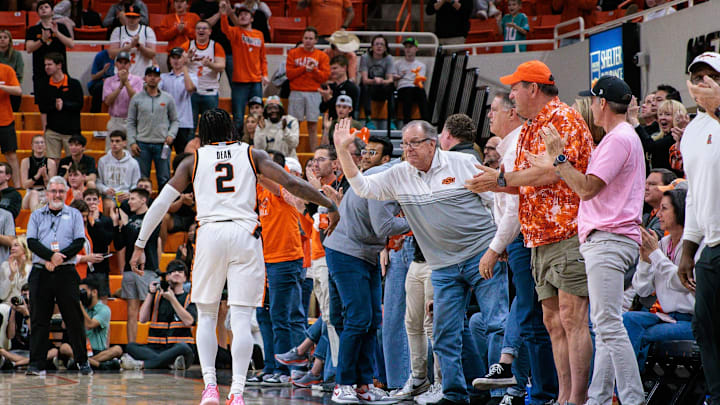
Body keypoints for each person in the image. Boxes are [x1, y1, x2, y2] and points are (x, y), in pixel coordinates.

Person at [128, 108, 339, 404]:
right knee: (240, 318)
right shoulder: (252, 154)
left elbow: (161, 202)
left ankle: (210, 388)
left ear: (203, 133)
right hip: (245, 234)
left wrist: (139, 244)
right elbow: (292, 184)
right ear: (232, 129)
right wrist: (329, 203)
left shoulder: (193, 160)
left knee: (207, 315)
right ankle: (237, 392)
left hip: (210, 234)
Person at [334, 118, 507, 405]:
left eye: (413, 143)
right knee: (443, 333)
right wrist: (342, 150)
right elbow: (363, 187)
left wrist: (497, 245)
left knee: (495, 324)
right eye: (404, 144)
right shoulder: (400, 174)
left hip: (481, 256)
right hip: (442, 266)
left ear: (432, 143)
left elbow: (497, 200)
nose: (407, 150)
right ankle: (453, 394)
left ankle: (502, 395)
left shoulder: (461, 163)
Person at [466, 60, 595, 405]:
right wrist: (490, 184)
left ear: (533, 89)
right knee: (552, 322)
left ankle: (577, 398)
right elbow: (525, 182)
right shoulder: (528, 129)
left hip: (567, 229)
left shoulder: (563, 118)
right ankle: (563, 395)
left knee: (572, 318)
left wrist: (502, 180)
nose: (511, 95)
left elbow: (551, 175)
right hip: (537, 237)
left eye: (515, 88)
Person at [528, 75, 645, 405]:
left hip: (608, 239)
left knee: (608, 325)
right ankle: (597, 398)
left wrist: (559, 158)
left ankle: (633, 399)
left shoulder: (619, 138)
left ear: (603, 103)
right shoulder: (620, 137)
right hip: (610, 240)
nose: (591, 106)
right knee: (606, 324)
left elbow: (585, 188)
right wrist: (555, 162)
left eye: (593, 100)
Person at [468, 96, 559, 405]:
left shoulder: (520, 143)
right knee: (530, 313)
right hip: (520, 239)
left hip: (528, 237)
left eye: (493, 109)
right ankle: (524, 382)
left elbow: (517, 206)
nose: (489, 116)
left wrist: (495, 248)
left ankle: (541, 391)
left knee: (535, 317)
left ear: (510, 111)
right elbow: (506, 202)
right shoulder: (509, 146)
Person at [680, 51, 720, 405]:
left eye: (711, 75)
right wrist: (689, 247)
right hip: (712, 244)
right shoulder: (693, 131)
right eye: (697, 76)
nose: (703, 82)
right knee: (704, 328)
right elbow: (694, 192)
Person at [624, 188, 695, 372]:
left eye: (664, 209)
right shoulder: (662, 244)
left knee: (638, 333)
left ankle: (629, 392)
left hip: (693, 321)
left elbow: (682, 283)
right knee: (626, 320)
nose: (659, 214)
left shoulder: (694, 246)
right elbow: (642, 290)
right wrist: (645, 260)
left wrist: (655, 254)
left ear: (680, 210)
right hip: (667, 317)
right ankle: (626, 389)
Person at [25, 176, 91, 376]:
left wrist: (59, 259)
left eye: (61, 191)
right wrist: (50, 256)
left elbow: (79, 241)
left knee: (74, 318)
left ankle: (82, 361)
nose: (57, 195)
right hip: (41, 271)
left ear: (66, 193)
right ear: (47, 193)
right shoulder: (36, 215)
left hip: (66, 271)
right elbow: (31, 242)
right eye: (53, 191)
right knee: (39, 319)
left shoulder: (75, 214)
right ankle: (36, 364)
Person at [121, 259, 196, 370]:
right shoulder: (156, 297)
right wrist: (150, 294)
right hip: (156, 348)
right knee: (131, 346)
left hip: (178, 348)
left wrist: (172, 299)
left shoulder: (189, 299)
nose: (176, 273)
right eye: (172, 272)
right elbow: (142, 319)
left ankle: (143, 365)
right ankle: (167, 363)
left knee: (183, 348)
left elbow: (189, 321)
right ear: (166, 277)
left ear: (185, 278)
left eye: (180, 272)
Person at [113, 187, 161, 344]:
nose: (129, 202)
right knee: (131, 312)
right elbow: (120, 244)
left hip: (146, 270)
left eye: (133, 199)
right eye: (130, 199)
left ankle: (151, 345)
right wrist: (117, 225)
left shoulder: (152, 217)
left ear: (143, 200)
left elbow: (146, 239)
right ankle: (132, 348)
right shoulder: (130, 219)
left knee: (149, 310)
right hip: (129, 270)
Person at [219, 1, 269, 135]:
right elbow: (225, 29)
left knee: (257, 115)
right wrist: (224, 14)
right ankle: (237, 142)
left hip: (256, 81)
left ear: (252, 18)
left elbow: (263, 57)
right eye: (240, 14)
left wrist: (265, 74)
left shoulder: (259, 34)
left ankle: (256, 143)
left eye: (246, 14)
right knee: (239, 117)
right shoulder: (235, 32)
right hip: (239, 82)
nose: (242, 16)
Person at [126, 66, 179, 191]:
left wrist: (171, 135)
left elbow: (175, 120)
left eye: (155, 76)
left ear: (159, 79)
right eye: (149, 75)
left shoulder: (167, 98)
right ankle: (142, 208)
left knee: (164, 179)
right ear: (145, 78)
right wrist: (132, 142)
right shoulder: (136, 98)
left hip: (162, 144)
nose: (152, 78)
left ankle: (165, 209)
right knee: (142, 180)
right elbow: (131, 122)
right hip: (142, 145)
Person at [55, 277, 123, 370]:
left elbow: (90, 325)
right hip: (81, 350)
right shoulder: (79, 307)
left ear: (94, 292)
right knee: (64, 348)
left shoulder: (104, 309)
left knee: (117, 349)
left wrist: (79, 305)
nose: (81, 294)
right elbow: (64, 325)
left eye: (83, 291)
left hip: (98, 351)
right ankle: (99, 365)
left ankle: (84, 363)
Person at [25, 0, 74, 127]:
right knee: (44, 105)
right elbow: (29, 48)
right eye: (40, 7)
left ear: (52, 11)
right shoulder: (33, 29)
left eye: (46, 7)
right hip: (41, 73)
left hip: (60, 74)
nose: (43, 9)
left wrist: (56, 33)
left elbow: (71, 44)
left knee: (62, 102)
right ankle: (46, 132)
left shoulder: (61, 27)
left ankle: (62, 128)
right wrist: (42, 40)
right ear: (38, 12)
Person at [287, 27, 330, 151]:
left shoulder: (322, 56)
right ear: (302, 39)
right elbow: (289, 74)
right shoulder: (293, 53)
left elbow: (324, 77)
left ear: (316, 40)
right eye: (306, 38)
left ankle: (314, 154)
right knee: (294, 125)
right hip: (296, 92)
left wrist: (314, 70)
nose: (308, 41)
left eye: (311, 38)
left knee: (313, 125)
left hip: (314, 93)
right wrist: (304, 69)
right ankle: (291, 152)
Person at [36, 52, 83, 164]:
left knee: (73, 161)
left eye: (49, 64)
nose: (46, 67)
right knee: (52, 162)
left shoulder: (74, 84)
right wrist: (54, 106)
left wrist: (64, 105)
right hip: (52, 130)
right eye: (45, 65)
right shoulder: (44, 86)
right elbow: (42, 107)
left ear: (59, 65)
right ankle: (52, 181)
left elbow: (79, 105)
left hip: (71, 131)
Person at [184, 19, 226, 132]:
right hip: (192, 92)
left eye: (204, 28)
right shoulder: (188, 45)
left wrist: (210, 64)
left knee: (210, 127)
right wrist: (187, 58)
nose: (201, 30)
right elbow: (177, 63)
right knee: (190, 127)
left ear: (210, 31)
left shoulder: (215, 46)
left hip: (210, 92)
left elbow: (221, 66)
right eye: (198, 28)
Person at [161, 47, 198, 154]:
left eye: (179, 58)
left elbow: (190, 88)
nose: (176, 61)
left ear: (184, 59)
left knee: (183, 156)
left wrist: (185, 66)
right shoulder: (163, 77)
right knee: (164, 155)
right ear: (170, 60)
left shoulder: (192, 76)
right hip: (166, 123)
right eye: (173, 58)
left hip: (184, 123)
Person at [107, 4, 157, 78]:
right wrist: (129, 47)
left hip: (142, 76)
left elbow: (152, 54)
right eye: (129, 16)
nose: (131, 19)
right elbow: (111, 54)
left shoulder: (147, 31)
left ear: (139, 18)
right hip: (122, 75)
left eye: (134, 17)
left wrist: (139, 46)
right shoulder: (118, 31)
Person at [83, 188, 115, 301]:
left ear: (99, 201)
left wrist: (96, 222)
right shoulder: (80, 220)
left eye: (94, 199)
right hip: (84, 265)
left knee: (102, 299)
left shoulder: (106, 220)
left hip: (101, 266)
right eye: (88, 199)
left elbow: (106, 240)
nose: (91, 202)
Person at [96, 130, 142, 206]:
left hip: (126, 197)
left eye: (117, 141)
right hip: (108, 197)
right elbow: (98, 182)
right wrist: (105, 189)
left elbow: (136, 183)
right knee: (108, 204)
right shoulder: (102, 161)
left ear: (124, 143)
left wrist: (129, 194)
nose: (114, 144)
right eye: (112, 141)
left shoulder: (133, 163)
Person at [103, 51, 143, 136]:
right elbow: (107, 101)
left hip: (132, 120)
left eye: (125, 62)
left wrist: (126, 83)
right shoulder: (109, 81)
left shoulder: (138, 80)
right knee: (112, 148)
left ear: (130, 64)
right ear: (116, 64)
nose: (123, 65)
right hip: (115, 120)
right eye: (120, 62)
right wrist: (120, 86)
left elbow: (137, 100)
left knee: (132, 148)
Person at [359, 35, 395, 129]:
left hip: (382, 86)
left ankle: (391, 120)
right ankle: (368, 119)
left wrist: (382, 81)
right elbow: (364, 80)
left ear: (385, 47)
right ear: (372, 46)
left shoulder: (389, 58)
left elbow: (390, 79)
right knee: (364, 87)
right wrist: (374, 80)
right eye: (377, 44)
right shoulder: (365, 57)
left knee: (391, 87)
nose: (379, 46)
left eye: (382, 44)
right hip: (370, 86)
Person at [394, 38, 428, 125]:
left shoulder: (421, 65)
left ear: (416, 49)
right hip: (403, 88)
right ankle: (407, 122)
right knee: (408, 92)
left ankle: (426, 121)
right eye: (406, 47)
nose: (408, 49)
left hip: (415, 88)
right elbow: (393, 78)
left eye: (410, 47)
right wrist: (399, 76)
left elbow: (421, 80)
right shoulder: (397, 64)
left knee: (421, 92)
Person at [20, 135, 57, 210]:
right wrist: (37, 176)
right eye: (37, 143)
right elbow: (25, 185)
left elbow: (51, 186)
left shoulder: (51, 163)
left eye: (42, 142)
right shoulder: (25, 161)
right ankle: (36, 218)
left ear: (45, 146)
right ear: (32, 146)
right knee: (34, 193)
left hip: (45, 193)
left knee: (51, 198)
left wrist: (45, 176)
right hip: (30, 193)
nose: (39, 145)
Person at [320, 55, 360, 122]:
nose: (332, 71)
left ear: (344, 68)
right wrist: (325, 99)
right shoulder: (330, 87)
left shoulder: (351, 87)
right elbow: (322, 109)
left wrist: (330, 98)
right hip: (331, 123)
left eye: (335, 68)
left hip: (347, 124)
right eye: (331, 69)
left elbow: (347, 108)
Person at [0, 60, 21, 187]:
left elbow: (18, 90)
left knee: (11, 154)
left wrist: (1, 87)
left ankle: (18, 186)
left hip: (5, 119)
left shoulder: (7, 70)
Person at [642, 168, 676, 239]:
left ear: (668, 187)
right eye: (645, 184)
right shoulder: (646, 217)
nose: (646, 188)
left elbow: (648, 240)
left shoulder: (670, 216)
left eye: (652, 184)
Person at [0, 30, 24, 112]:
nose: (2, 39)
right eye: (0, 37)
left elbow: (19, 74)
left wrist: (7, 83)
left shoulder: (17, 55)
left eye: (5, 37)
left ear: (9, 40)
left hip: (12, 88)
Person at [0, 237, 28, 304]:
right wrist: (11, 275)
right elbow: (2, 295)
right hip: (6, 304)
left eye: (16, 245)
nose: (12, 248)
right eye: (11, 246)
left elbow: (25, 291)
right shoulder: (5, 266)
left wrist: (22, 270)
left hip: (24, 304)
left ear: (24, 248)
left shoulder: (30, 267)